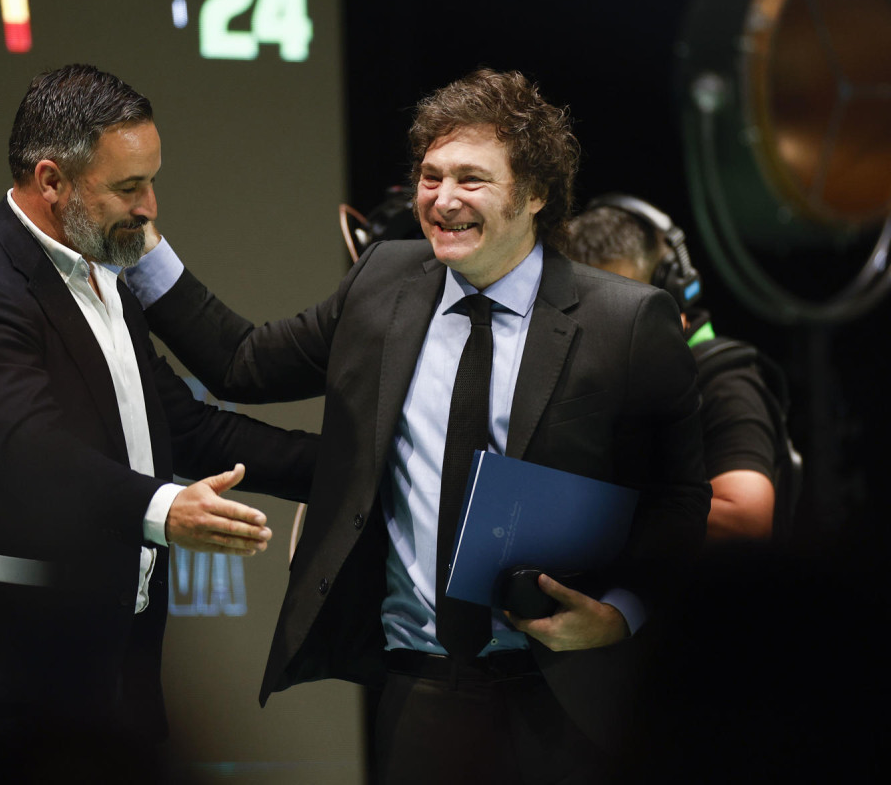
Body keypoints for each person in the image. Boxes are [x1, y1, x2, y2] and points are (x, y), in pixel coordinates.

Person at [127, 69, 709, 783]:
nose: (443, 199)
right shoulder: (383, 283)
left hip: (568, 694)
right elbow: (242, 362)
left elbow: (679, 497)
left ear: (533, 195)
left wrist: (621, 613)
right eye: (431, 176)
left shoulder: (625, 321)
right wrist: (140, 255)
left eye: (472, 179)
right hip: (419, 694)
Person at [0, 64, 318, 776]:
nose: (149, 206)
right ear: (52, 182)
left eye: (151, 180)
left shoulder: (99, 270)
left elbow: (188, 428)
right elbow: (34, 460)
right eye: (129, 187)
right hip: (5, 690)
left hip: (111, 671)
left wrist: (345, 469)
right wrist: (167, 509)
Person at [561, 195, 786, 542]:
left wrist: (596, 504)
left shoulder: (722, 381)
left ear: (670, 295)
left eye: (618, 309)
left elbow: (747, 522)